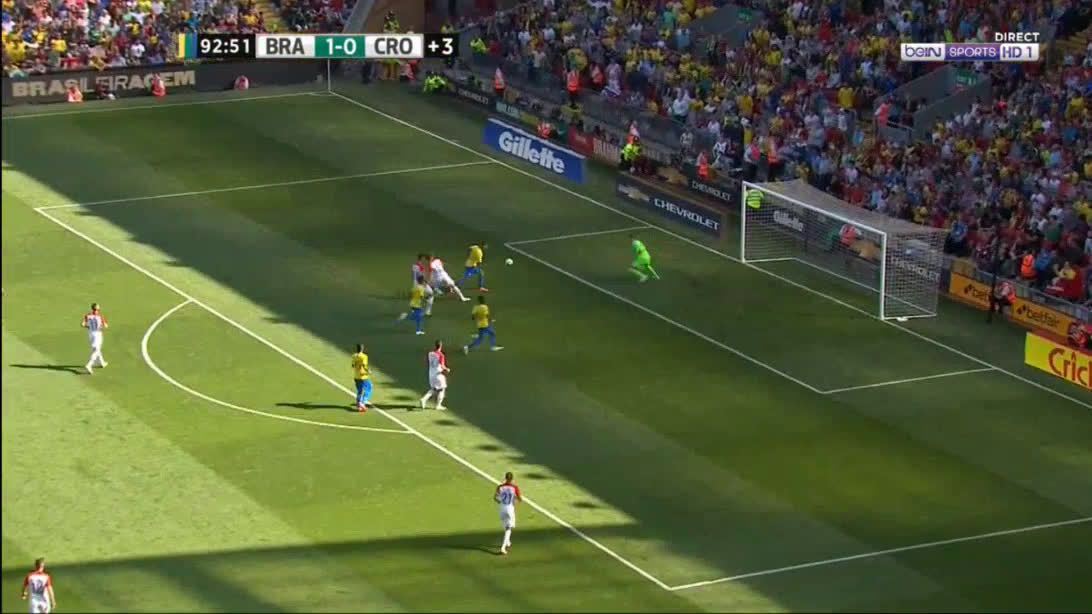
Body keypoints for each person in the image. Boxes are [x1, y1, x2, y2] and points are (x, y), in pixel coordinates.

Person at [494, 472, 521, 555]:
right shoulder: (515, 487)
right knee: (508, 529)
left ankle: (508, 542)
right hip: (510, 509)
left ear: (505, 478)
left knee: (506, 525)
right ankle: (503, 547)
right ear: (512, 479)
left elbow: (495, 498)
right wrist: (515, 499)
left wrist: (501, 501)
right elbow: (519, 499)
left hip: (502, 508)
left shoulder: (500, 487)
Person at [419, 339, 450, 410]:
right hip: (438, 375)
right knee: (442, 389)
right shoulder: (441, 355)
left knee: (434, 389)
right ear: (441, 346)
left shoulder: (430, 353)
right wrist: (447, 369)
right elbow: (442, 366)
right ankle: (438, 405)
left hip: (431, 374)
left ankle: (424, 399)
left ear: (435, 346)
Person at [82, 303, 108, 374]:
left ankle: (102, 363)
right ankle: (89, 365)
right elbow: (106, 326)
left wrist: (89, 327)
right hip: (98, 334)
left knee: (97, 348)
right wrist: (100, 327)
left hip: (90, 334)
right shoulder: (100, 316)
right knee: (96, 350)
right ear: (98, 309)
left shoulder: (88, 315)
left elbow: (83, 324)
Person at [351, 343, 373, 412]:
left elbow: (353, 365)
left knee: (359, 391)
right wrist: (368, 371)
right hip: (363, 376)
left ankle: (358, 405)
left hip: (356, 376)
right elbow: (364, 365)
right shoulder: (364, 356)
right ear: (362, 349)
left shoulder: (354, 356)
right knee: (369, 387)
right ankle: (363, 403)